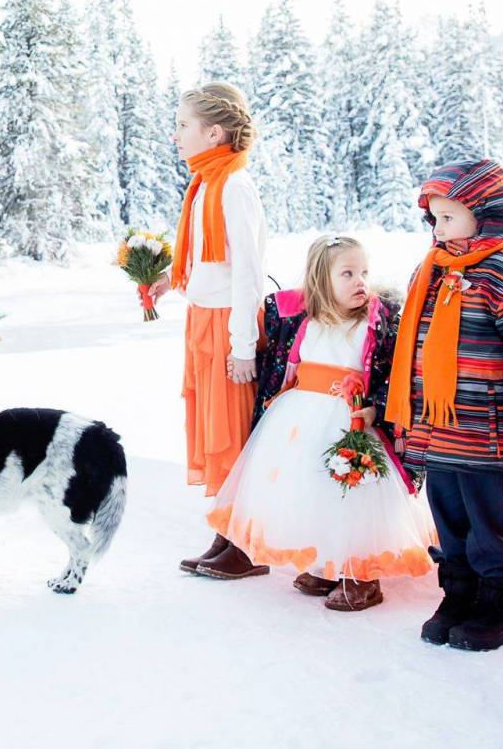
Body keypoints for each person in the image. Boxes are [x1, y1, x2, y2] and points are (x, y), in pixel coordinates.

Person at [384, 158, 503, 651]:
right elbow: (412, 345)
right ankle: (457, 594)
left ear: (486, 214)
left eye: (449, 216)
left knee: (488, 519)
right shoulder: (432, 270)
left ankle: (498, 605)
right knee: (448, 513)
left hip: (485, 425)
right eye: (434, 217)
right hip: (435, 427)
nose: (438, 228)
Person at [208, 236, 434, 609]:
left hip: (349, 420)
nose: (359, 281)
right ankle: (325, 562)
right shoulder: (304, 321)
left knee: (349, 492)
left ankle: (359, 573)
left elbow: (393, 373)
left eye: (363, 272)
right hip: (298, 419)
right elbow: (285, 366)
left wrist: (375, 407)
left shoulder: (374, 324)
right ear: (320, 280)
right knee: (306, 489)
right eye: (347, 273)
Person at [150, 82, 268, 579]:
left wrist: (244, 346)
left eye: (182, 126)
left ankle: (244, 543)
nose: (175, 135)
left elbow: (248, 272)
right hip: (203, 319)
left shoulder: (233, 185)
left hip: (227, 325)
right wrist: (169, 276)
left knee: (231, 432)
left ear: (213, 131)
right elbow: (208, 259)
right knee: (211, 428)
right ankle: (226, 535)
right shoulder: (203, 184)